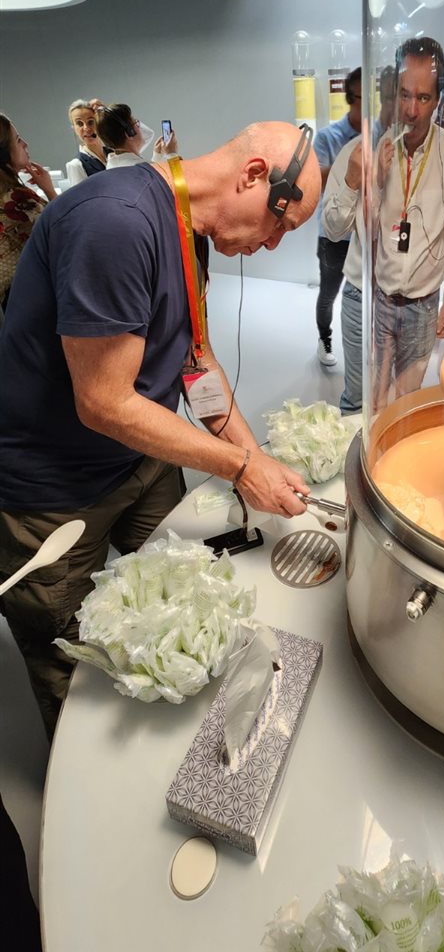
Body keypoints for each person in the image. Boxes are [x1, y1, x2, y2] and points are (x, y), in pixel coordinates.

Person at [0, 121, 320, 737]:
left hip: (138, 462)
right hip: (53, 493)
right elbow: (105, 403)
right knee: (79, 671)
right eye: (281, 222)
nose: (275, 244)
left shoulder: (187, 227)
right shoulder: (115, 222)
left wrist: (255, 455)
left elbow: (195, 362)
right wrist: (240, 468)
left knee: (181, 600)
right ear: (254, 175)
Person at [324, 37, 444, 411]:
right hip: (373, 296)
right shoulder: (361, 152)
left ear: (439, 98)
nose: (410, 109)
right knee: (363, 403)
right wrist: (362, 181)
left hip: (423, 304)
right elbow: (336, 230)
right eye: (404, 95)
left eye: (423, 98)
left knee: (404, 407)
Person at [314, 67, 362, 366]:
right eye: (361, 98)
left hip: (369, 234)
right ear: (349, 98)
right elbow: (315, 182)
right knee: (330, 291)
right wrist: (351, 162)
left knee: (363, 295)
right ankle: (325, 338)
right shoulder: (328, 137)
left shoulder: (385, 137)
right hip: (335, 235)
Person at [0, 114, 56, 310]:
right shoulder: (15, 198)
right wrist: (49, 190)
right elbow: (65, 230)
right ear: (4, 153)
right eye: (17, 140)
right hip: (18, 300)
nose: (25, 143)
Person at [92, 101, 178, 168]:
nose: (139, 126)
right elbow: (174, 184)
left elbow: (154, 173)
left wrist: (157, 156)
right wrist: (171, 154)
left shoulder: (113, 164)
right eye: (135, 123)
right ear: (129, 133)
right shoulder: (139, 168)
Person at [66, 98, 109, 181]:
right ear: (74, 128)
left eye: (91, 122)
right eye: (79, 123)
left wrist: (107, 114)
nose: (86, 128)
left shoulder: (114, 153)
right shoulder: (76, 165)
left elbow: (139, 141)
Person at [372, 65, 397, 148]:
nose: (394, 105)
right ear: (381, 98)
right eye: (390, 98)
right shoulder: (372, 136)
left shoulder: (402, 133)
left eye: (396, 98)